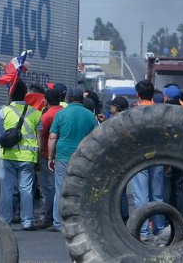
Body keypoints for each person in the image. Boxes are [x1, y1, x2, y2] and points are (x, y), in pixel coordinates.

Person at [48, 87, 98, 232]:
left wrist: (51, 157)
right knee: (81, 189)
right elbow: (96, 137)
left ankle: (58, 222)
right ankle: (79, 221)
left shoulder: (61, 114)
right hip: (82, 157)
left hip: (63, 155)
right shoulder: (90, 115)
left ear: (68, 98)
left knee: (60, 189)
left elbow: (52, 137)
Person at [0, 81, 42, 231]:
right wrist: (38, 157)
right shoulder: (36, 113)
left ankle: (4, 220)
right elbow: (39, 137)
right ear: (25, 95)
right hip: (28, 156)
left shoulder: (3, 111)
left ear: (10, 94)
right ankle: (28, 221)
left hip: (7, 155)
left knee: (7, 190)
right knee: (26, 190)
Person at [131, 80, 165, 240]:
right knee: (157, 195)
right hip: (157, 155)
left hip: (139, 157)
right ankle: (159, 230)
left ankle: (143, 231)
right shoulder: (160, 112)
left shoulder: (133, 113)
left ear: (138, 95)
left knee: (141, 197)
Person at [35, 88, 64, 230]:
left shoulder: (47, 116)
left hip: (48, 156)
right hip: (63, 155)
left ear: (45, 101)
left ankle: (48, 217)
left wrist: (39, 155)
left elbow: (41, 136)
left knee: (47, 188)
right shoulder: (63, 112)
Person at [163, 86, 183, 217]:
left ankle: (167, 215)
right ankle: (181, 215)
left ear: (167, 97)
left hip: (167, 152)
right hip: (182, 152)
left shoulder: (164, 110)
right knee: (180, 185)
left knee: (166, 185)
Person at [107, 95, 132, 222]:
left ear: (116, 108)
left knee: (114, 190)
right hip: (126, 158)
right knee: (122, 189)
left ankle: (117, 216)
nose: (110, 108)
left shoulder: (113, 122)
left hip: (114, 159)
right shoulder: (128, 121)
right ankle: (124, 216)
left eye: (112, 106)